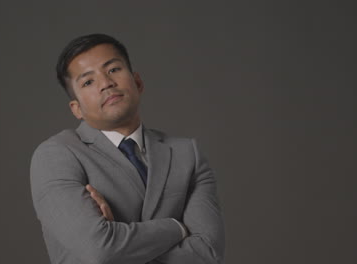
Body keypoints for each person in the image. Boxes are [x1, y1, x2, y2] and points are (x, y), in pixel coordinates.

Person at [30, 33, 225, 264]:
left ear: (138, 82)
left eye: (113, 69)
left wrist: (119, 241)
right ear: (76, 109)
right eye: (88, 82)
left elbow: (209, 253)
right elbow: (99, 250)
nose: (106, 83)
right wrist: (178, 228)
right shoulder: (56, 156)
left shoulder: (187, 154)